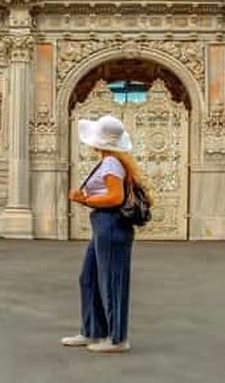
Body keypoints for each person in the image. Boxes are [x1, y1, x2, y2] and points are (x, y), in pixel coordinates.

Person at [61, 114, 151, 354]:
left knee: (111, 281)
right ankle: (93, 330)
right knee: (88, 277)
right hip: (104, 226)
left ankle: (117, 338)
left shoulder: (111, 163)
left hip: (111, 225)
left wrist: (85, 199)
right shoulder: (110, 161)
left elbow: (115, 197)